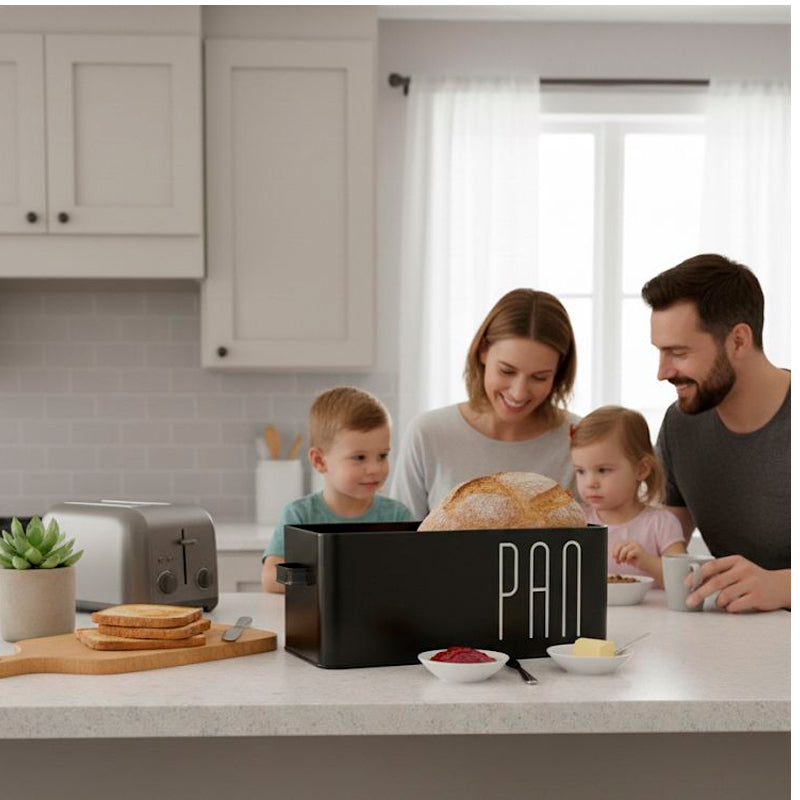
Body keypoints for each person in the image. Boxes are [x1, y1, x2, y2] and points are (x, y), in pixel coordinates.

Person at [641, 253, 790, 612]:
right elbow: (663, 543)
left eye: (678, 352)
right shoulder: (680, 424)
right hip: (731, 634)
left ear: (738, 341)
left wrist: (786, 587)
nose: (662, 372)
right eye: (660, 352)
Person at [390, 288, 580, 518]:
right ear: (482, 351)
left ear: (559, 371)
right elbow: (400, 535)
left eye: (539, 377)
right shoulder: (427, 434)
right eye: (507, 371)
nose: (519, 393)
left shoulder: (578, 439)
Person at [261, 386, 414, 593]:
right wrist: (338, 579)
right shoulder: (300, 515)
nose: (375, 468)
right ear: (320, 461)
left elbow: (411, 574)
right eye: (359, 457)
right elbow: (270, 577)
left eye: (382, 455)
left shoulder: (397, 515)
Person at [570, 405, 686, 586]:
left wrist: (646, 562)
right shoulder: (577, 522)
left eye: (603, 470)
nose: (590, 483)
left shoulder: (662, 523)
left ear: (641, 469)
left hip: (652, 606)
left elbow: (683, 580)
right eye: (581, 471)